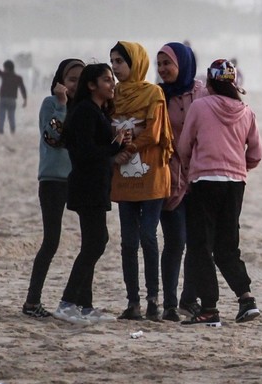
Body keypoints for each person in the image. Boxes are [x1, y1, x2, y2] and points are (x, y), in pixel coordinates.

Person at [177, 59, 262, 326]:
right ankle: (246, 299)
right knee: (227, 245)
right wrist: (237, 167)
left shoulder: (200, 106)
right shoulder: (246, 111)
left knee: (201, 245)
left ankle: (210, 308)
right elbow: (257, 154)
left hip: (204, 180)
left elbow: (184, 146)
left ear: (210, 82)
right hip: (235, 183)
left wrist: (192, 169)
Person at [55, 63, 131, 324]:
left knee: (94, 242)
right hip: (87, 185)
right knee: (95, 243)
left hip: (95, 185)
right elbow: (85, 153)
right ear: (92, 85)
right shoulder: (86, 111)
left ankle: (84, 306)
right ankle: (67, 303)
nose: (112, 85)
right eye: (107, 80)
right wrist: (115, 146)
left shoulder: (93, 111)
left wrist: (114, 145)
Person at [109, 41, 173, 322]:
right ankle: (132, 302)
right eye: (112, 62)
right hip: (123, 176)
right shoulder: (113, 96)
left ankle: (153, 301)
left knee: (148, 236)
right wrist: (115, 150)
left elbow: (155, 132)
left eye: (120, 61)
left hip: (152, 174)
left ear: (135, 63)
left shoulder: (153, 93)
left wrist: (127, 149)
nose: (115, 67)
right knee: (127, 242)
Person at [23, 58, 84, 318]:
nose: (76, 85)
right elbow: (52, 138)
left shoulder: (86, 108)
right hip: (52, 181)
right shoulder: (51, 104)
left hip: (79, 180)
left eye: (82, 80)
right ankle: (32, 302)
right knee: (51, 242)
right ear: (60, 82)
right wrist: (61, 105)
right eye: (71, 80)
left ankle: (79, 301)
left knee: (93, 241)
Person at [155, 41, 205, 322]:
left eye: (168, 63)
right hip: (169, 178)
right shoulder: (158, 96)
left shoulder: (202, 93)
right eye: (159, 64)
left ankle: (189, 299)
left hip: (199, 178)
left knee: (199, 243)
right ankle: (170, 304)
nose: (163, 69)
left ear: (183, 64)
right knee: (175, 242)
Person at [0, 60, 28, 134]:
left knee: (2, 116)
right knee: (11, 116)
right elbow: (22, 89)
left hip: (3, 98)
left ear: (7, 68)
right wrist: (25, 99)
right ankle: (12, 130)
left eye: (4, 67)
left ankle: (1, 130)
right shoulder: (18, 78)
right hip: (12, 100)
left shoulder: (5, 75)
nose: (4, 69)